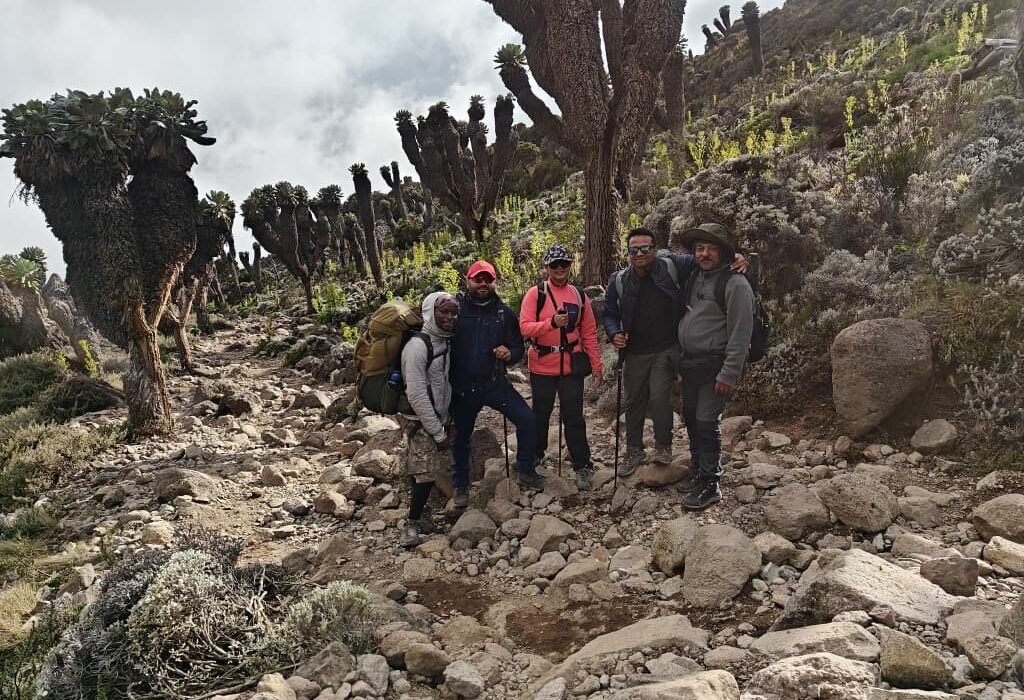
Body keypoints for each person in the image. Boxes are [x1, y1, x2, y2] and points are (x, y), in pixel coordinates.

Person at [602, 227, 695, 475]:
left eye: (645, 248)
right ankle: (634, 450)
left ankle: (663, 446)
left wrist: (735, 258)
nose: (640, 253)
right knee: (634, 403)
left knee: (660, 397)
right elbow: (609, 314)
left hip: (666, 348)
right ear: (628, 252)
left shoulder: (671, 265)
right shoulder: (619, 280)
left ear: (655, 248)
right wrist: (614, 334)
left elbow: (703, 259)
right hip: (634, 352)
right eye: (634, 250)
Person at [450, 260, 543, 504]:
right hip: (462, 387)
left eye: (487, 279)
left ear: (494, 282)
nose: (483, 283)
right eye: (477, 279)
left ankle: (525, 469)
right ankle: (461, 486)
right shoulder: (455, 309)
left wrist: (509, 353)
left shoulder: (504, 313)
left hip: (494, 383)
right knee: (460, 436)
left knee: (527, 420)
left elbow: (517, 348)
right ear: (467, 280)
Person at [676, 223, 755, 510]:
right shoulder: (694, 276)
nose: (705, 253)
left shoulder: (735, 284)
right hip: (692, 364)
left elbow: (741, 333)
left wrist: (729, 373)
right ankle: (698, 470)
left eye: (711, 248)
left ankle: (711, 482)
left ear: (723, 252)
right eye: (700, 248)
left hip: (717, 365)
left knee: (707, 420)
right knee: (690, 416)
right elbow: (659, 256)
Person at [519, 244, 603, 491]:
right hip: (542, 365)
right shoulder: (536, 294)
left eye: (563, 264)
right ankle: (535, 456)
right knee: (540, 414)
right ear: (546, 267)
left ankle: (582, 465)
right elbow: (524, 327)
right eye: (554, 264)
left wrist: (596, 365)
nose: (559, 269)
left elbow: (588, 332)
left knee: (574, 416)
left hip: (570, 366)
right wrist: (551, 324)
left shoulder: (579, 295)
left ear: (569, 266)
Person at [399, 291, 458, 548]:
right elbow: (416, 393)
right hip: (418, 419)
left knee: (422, 467)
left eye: (453, 312)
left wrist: (447, 419)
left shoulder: (444, 341)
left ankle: (422, 516)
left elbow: (442, 382)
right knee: (425, 472)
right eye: (443, 311)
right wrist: (437, 430)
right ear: (429, 312)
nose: (449, 317)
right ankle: (411, 525)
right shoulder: (417, 347)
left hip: (435, 416)